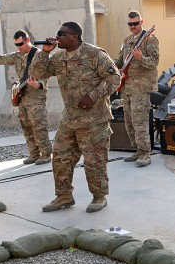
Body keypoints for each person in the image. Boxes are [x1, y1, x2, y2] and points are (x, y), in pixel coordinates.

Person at [30, 22, 121, 213]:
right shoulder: (59, 57)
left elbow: (114, 79)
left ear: (75, 36)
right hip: (70, 118)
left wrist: (93, 95)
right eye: (58, 34)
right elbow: (38, 73)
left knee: (93, 161)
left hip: (94, 120)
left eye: (62, 34)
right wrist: (45, 52)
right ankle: (63, 196)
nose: (58, 37)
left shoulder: (95, 54)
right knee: (60, 158)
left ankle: (99, 197)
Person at [0, 30, 52, 165]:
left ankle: (45, 154)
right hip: (22, 97)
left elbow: (46, 73)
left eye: (21, 44)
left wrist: (38, 84)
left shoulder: (39, 55)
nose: (18, 47)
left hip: (36, 98)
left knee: (39, 126)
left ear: (27, 40)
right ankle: (33, 154)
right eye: (16, 44)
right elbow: (1, 58)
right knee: (26, 127)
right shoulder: (17, 56)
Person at [114, 10, 159, 167]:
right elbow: (120, 59)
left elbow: (153, 63)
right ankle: (138, 150)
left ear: (141, 22)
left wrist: (140, 58)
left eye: (135, 23)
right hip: (126, 87)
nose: (133, 26)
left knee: (140, 121)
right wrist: (114, 64)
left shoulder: (150, 39)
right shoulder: (127, 40)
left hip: (141, 86)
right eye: (130, 24)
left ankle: (146, 153)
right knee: (129, 121)